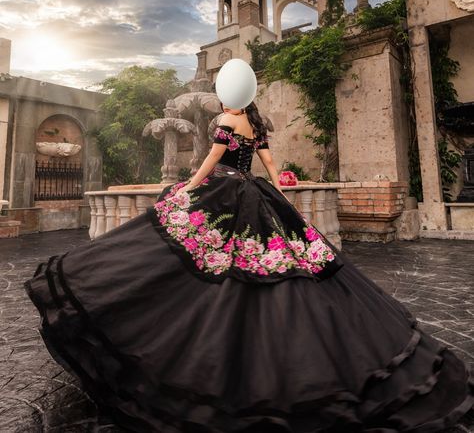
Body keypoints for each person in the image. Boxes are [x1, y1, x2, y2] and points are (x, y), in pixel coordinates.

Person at [24, 101, 474, 433]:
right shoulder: (255, 121)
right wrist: (281, 189)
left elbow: (212, 160)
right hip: (257, 194)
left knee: (198, 256)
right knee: (273, 265)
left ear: (227, 95)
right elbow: (269, 160)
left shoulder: (225, 119)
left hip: (224, 192)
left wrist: (185, 189)